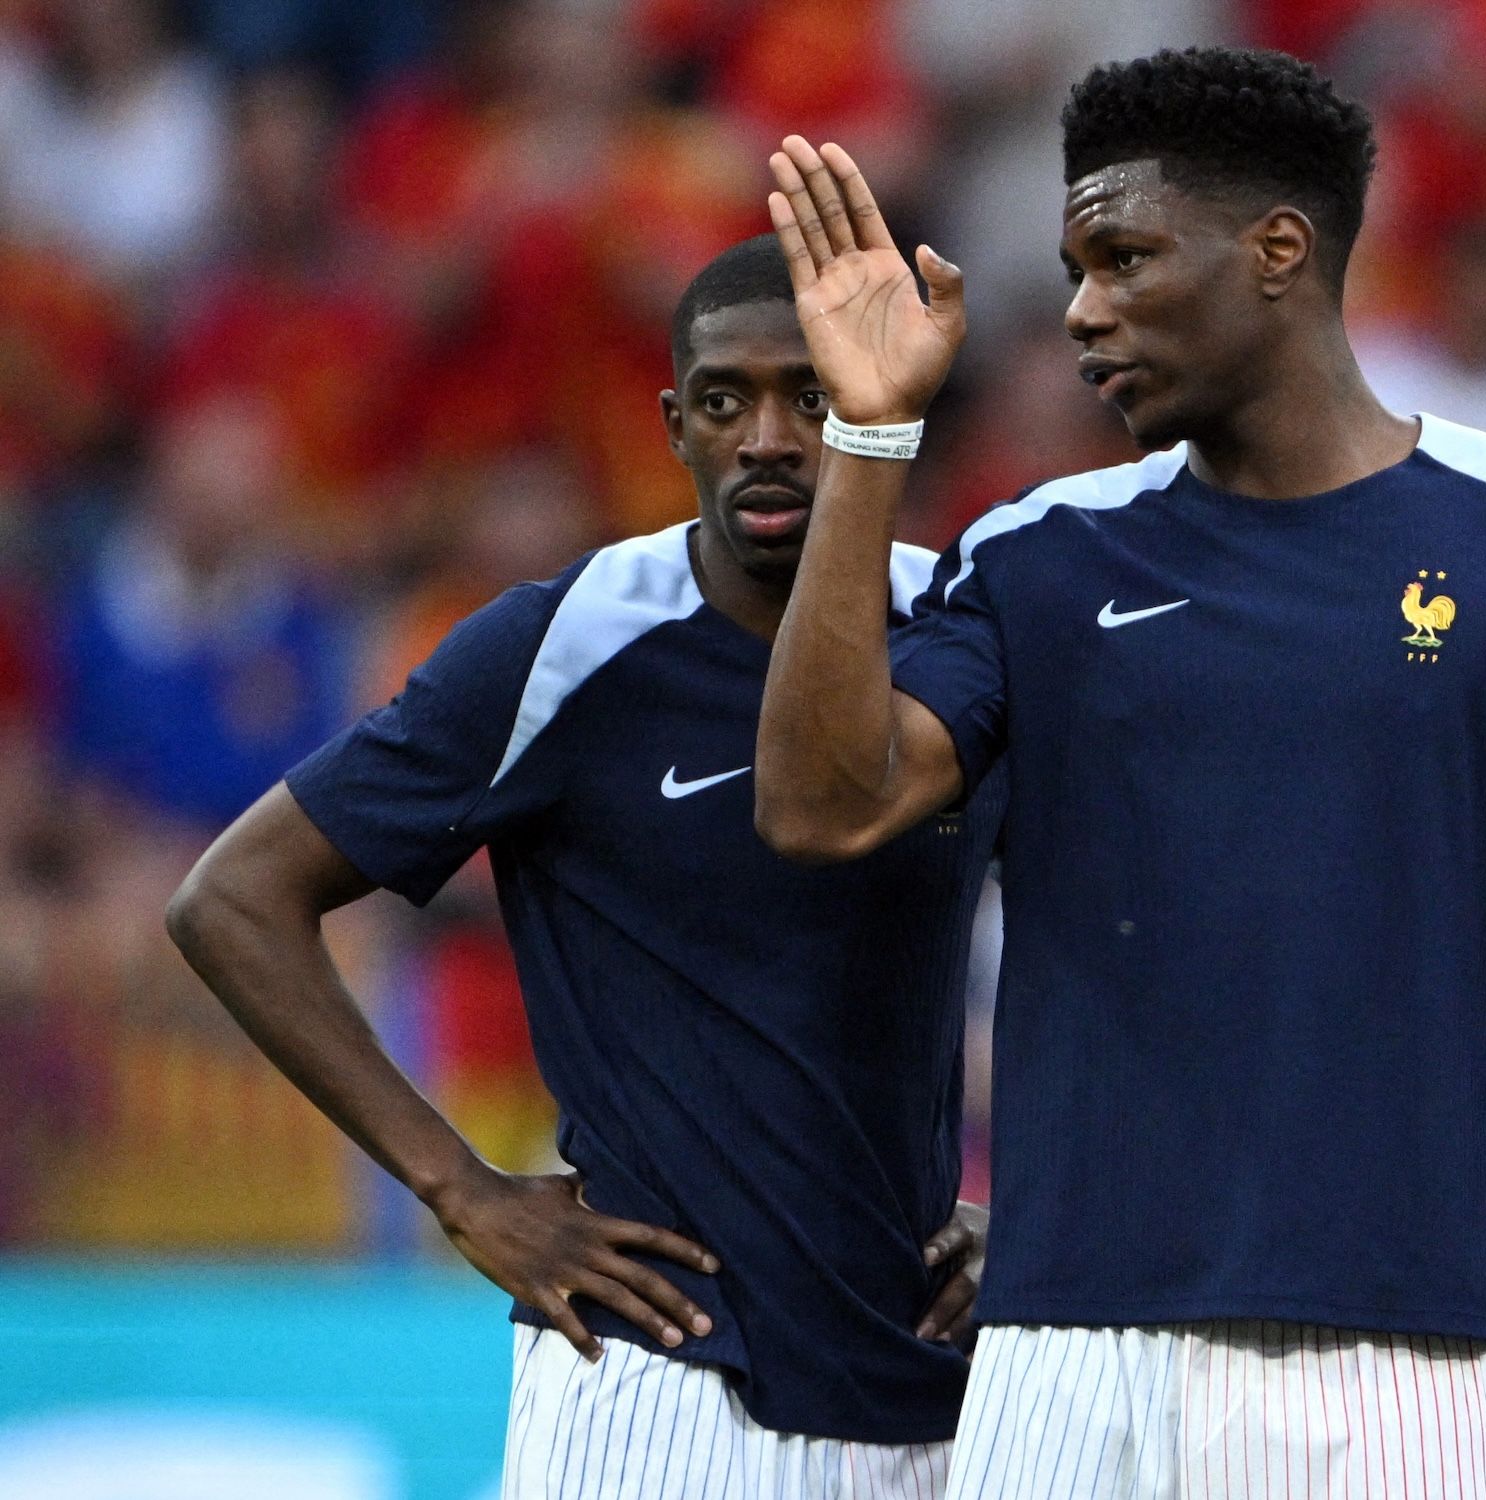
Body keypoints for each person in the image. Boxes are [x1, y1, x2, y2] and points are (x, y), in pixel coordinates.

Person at [746, 47, 1486, 1498]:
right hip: (1056, 1360)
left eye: (1123, 258)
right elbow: (817, 804)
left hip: (1387, 1360)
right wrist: (866, 435)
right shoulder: (1036, 554)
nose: (1079, 310)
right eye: (1070, 266)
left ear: (1278, 253)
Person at [164, 237, 1000, 1499]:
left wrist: (1048, 1205)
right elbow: (231, 898)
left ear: (883, 410)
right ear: (673, 425)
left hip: (930, 1379)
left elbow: (1126, 936)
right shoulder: (570, 643)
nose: (768, 437)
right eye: (726, 400)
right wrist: (460, 1189)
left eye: (814, 397)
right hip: (657, 1375)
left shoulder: (959, 635)